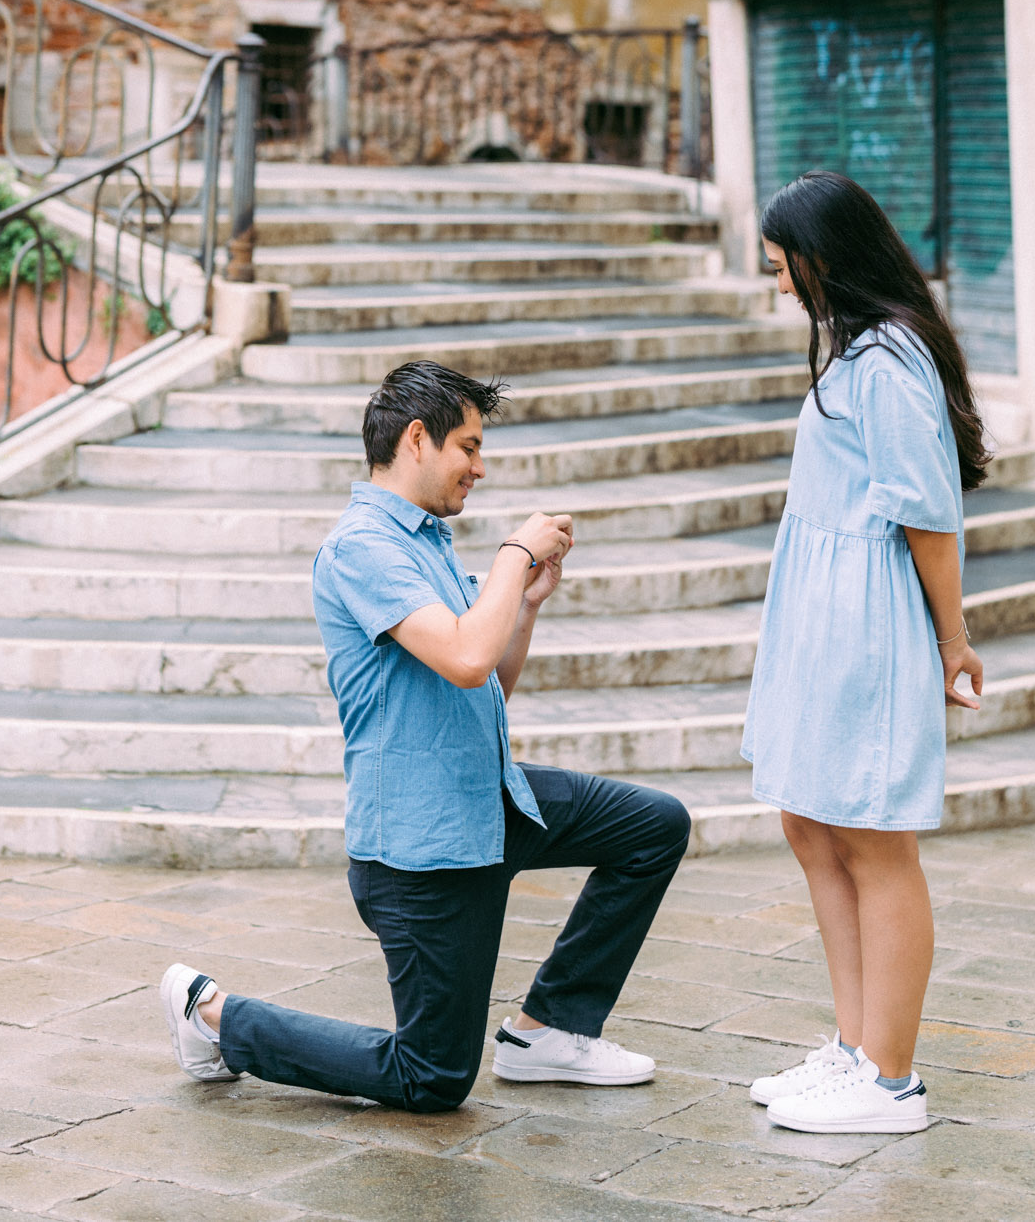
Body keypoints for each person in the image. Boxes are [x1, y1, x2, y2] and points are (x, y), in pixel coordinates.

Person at [161, 357, 691, 1110]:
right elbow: (469, 658)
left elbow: (483, 686)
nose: (480, 467)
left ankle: (549, 1029)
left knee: (653, 828)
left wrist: (527, 603)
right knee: (433, 1077)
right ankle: (214, 1017)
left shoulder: (425, 540)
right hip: (424, 849)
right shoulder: (363, 548)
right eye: (468, 448)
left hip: (492, 801)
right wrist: (513, 555)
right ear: (417, 438)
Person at [742, 171, 987, 1137]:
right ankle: (854, 1047)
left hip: (866, 617)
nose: (778, 287)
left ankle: (891, 1079)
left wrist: (952, 641)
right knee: (812, 823)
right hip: (818, 609)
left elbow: (929, 516)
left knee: (875, 839)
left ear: (823, 260)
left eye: (781, 269)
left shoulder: (887, 363)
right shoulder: (860, 351)